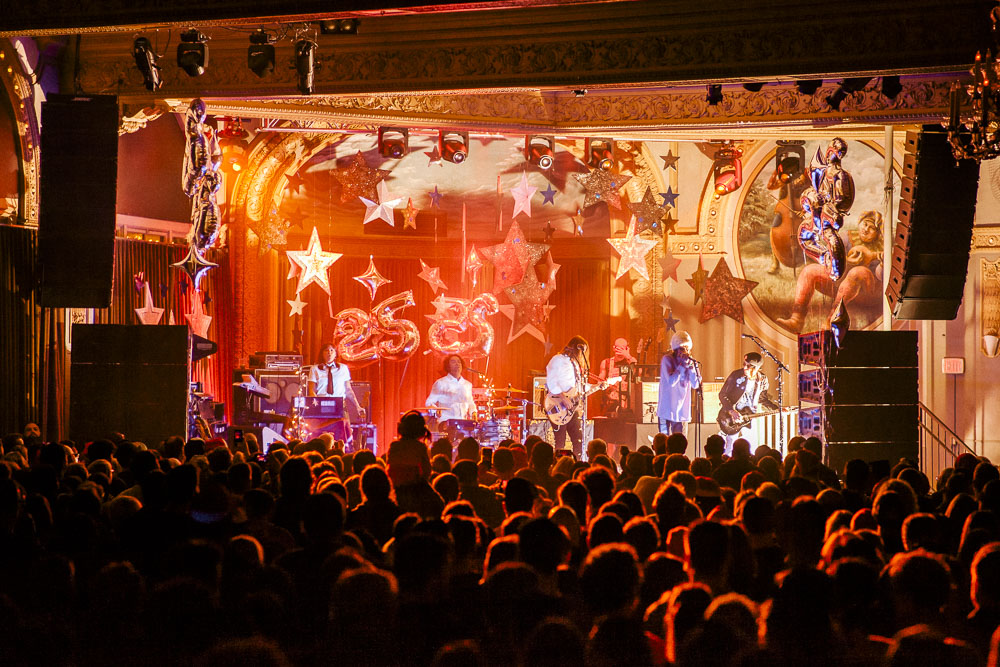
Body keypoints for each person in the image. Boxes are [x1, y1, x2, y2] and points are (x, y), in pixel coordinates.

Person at [717, 352, 778, 455]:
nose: (745, 367)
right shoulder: (736, 375)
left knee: (751, 446)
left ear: (756, 368)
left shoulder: (762, 379)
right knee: (730, 446)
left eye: (748, 366)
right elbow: (722, 394)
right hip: (732, 417)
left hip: (749, 415)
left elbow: (762, 399)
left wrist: (777, 409)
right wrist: (731, 411)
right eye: (744, 364)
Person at [306, 343, 364, 446]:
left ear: (336, 354)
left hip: (339, 405)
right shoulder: (315, 369)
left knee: (342, 432)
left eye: (332, 350)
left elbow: (348, 390)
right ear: (322, 353)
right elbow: (311, 390)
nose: (329, 353)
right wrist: (316, 405)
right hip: (322, 404)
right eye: (326, 350)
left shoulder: (343, 368)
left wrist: (357, 406)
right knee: (321, 433)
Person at [545, 335, 591, 459]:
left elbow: (577, 387)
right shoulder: (558, 359)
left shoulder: (574, 364)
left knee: (578, 439)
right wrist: (563, 397)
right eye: (581, 351)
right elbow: (551, 382)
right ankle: (558, 466)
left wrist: (598, 386)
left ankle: (576, 465)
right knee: (560, 441)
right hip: (558, 405)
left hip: (571, 408)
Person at [657, 331, 701, 436]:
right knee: (664, 443)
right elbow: (671, 382)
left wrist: (691, 369)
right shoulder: (667, 360)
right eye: (682, 347)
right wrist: (681, 366)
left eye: (687, 347)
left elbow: (696, 385)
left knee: (679, 443)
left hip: (681, 412)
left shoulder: (691, 362)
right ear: (676, 349)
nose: (685, 351)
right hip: (666, 410)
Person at [425, 354, 476, 424]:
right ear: (448, 366)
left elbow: (470, 402)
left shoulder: (467, 384)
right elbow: (429, 402)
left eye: (459, 362)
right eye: (453, 362)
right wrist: (435, 410)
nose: (457, 364)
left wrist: (473, 412)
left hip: (463, 423)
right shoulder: (440, 383)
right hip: (446, 423)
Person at [597, 338, 636, 417]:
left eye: (623, 348)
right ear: (614, 348)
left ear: (627, 348)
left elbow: (639, 373)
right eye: (618, 348)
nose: (620, 351)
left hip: (627, 405)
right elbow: (600, 381)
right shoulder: (606, 363)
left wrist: (628, 356)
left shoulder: (631, 362)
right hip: (611, 405)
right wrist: (603, 384)